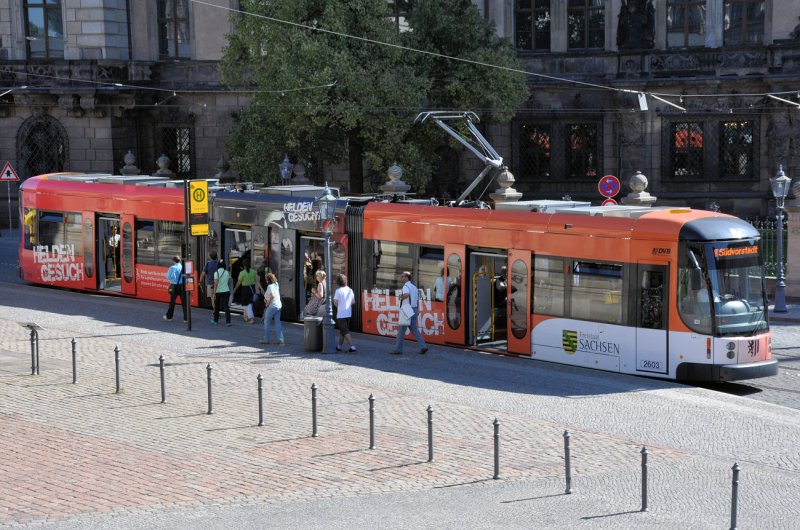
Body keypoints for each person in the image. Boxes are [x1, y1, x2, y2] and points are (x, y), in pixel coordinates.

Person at [389, 271, 428, 355]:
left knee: (401, 331)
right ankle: (423, 346)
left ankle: (398, 349)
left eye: (403, 276)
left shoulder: (406, 286)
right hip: (414, 309)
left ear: (407, 278)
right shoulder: (414, 287)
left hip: (407, 310)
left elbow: (406, 295)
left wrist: (400, 297)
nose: (401, 278)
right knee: (414, 329)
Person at [333, 274, 356, 352]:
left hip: (341, 314)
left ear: (338, 282)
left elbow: (335, 303)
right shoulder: (350, 290)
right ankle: (339, 346)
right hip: (348, 313)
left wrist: (340, 306)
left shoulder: (338, 291)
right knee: (342, 331)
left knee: (345, 331)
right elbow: (353, 301)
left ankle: (352, 346)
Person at [232, 258, 260, 323]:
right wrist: (259, 289)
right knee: (250, 303)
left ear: (243, 266)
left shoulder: (242, 273)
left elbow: (238, 283)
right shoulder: (254, 271)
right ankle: (245, 317)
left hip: (245, 290)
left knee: (246, 304)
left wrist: (234, 290)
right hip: (252, 289)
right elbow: (257, 281)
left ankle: (251, 318)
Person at [260, 273, 284, 345]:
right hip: (278, 305)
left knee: (266, 322)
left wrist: (267, 303)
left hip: (272, 306)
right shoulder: (276, 284)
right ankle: (280, 339)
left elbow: (272, 295)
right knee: (277, 322)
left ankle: (266, 339)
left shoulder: (270, 286)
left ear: (267, 280)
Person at [164, 255, 186, 322]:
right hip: (182, 286)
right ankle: (186, 318)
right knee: (184, 303)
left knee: (172, 302)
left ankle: (169, 317)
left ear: (173, 261)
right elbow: (185, 276)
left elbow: (168, 277)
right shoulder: (183, 267)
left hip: (174, 286)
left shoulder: (172, 267)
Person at [211, 260, 231, 326]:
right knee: (226, 307)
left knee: (217, 307)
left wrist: (214, 294)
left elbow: (215, 284)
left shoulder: (216, 273)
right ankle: (228, 322)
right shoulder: (227, 272)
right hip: (226, 291)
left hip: (218, 292)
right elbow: (228, 282)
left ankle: (215, 321)